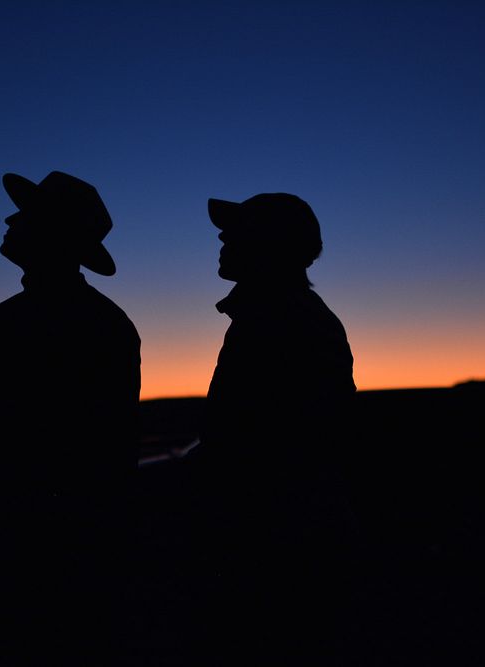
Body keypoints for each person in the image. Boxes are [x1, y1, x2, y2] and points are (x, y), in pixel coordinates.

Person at [0, 170, 140, 664]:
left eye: (27, 214)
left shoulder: (21, 322)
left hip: (35, 544)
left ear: (55, 233)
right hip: (45, 540)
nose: (10, 219)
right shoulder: (102, 323)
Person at [194, 192, 357, 662]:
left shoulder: (281, 320)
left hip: (277, 551)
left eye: (237, 230)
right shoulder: (275, 315)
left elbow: (270, 448)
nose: (223, 238)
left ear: (270, 245)